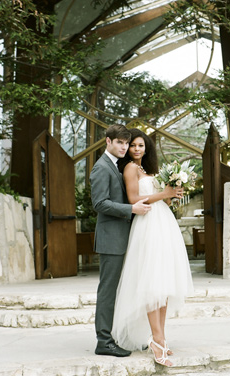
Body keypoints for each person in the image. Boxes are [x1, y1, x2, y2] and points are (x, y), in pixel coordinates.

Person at [111, 128, 194, 367]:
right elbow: (133, 199)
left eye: (141, 146)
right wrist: (162, 194)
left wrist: (172, 194)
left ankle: (161, 337)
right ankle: (156, 339)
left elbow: (158, 197)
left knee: (163, 284)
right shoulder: (130, 168)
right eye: (133, 145)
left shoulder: (147, 170)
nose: (137, 150)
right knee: (151, 283)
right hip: (147, 224)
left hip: (163, 222)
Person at [90, 124, 151, 357]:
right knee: (108, 291)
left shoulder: (116, 165)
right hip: (111, 240)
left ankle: (120, 336)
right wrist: (131, 208)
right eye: (120, 142)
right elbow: (100, 203)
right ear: (108, 141)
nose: (125, 147)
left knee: (122, 290)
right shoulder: (101, 168)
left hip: (124, 238)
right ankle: (103, 341)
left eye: (127, 143)